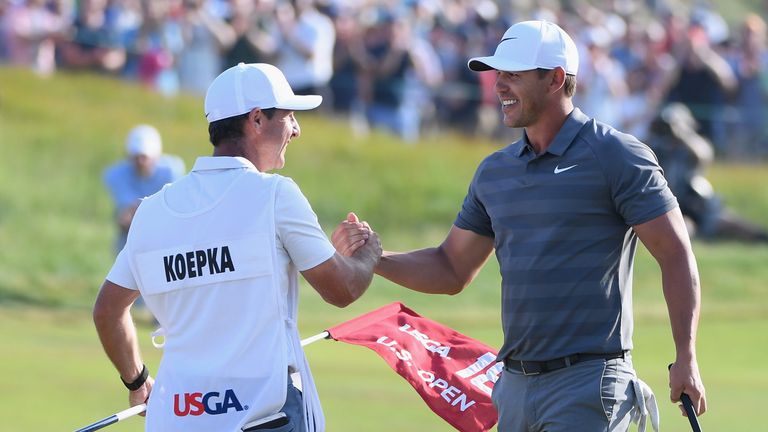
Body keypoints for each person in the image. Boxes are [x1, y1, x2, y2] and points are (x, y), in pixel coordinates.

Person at [373, 20, 706, 431]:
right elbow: (451, 268)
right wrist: (376, 258)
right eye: (499, 74)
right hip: (513, 387)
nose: (499, 86)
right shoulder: (494, 172)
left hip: (588, 384)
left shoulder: (617, 155)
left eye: (514, 74)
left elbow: (675, 254)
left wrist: (686, 356)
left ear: (555, 79)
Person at [92, 62, 381, 432]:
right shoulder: (275, 196)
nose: (296, 129)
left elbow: (107, 310)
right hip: (265, 416)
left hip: (177, 417)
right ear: (257, 119)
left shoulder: (151, 210)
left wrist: (137, 382)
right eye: (289, 116)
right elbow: (343, 289)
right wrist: (370, 253)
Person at [648, 103, 768, 243]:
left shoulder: (694, 144)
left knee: (733, 224)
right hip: (674, 204)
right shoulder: (658, 147)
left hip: (698, 203)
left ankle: (760, 238)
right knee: (683, 228)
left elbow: (703, 155)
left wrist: (681, 133)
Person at [103, 124, 186, 253]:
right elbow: (127, 215)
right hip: (130, 238)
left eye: (144, 157)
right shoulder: (117, 174)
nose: (140, 162)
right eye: (136, 157)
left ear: (156, 156)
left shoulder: (171, 170)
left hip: (164, 238)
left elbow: (173, 210)